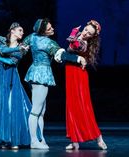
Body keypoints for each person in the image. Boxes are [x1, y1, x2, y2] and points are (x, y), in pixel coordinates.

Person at [22, 18, 86, 149]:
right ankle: (34, 141)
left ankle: (40, 138)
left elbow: (21, 49)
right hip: (42, 74)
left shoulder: (32, 37)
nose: (52, 29)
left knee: (41, 110)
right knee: (36, 110)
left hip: (34, 72)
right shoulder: (48, 43)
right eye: (49, 28)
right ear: (43, 31)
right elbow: (61, 56)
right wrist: (77, 58)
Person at [0, 22, 31, 149]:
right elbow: (3, 50)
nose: (22, 33)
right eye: (20, 30)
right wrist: (10, 51)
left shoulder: (23, 47)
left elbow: (11, 62)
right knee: (2, 105)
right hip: (0, 76)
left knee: (12, 106)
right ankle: (3, 139)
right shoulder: (1, 40)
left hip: (11, 76)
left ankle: (14, 139)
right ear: (13, 31)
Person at [64, 20, 107, 150]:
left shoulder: (83, 43)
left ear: (92, 37)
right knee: (71, 106)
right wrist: (76, 33)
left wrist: (74, 31)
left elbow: (72, 44)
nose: (86, 33)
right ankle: (74, 141)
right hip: (70, 73)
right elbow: (68, 50)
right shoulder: (79, 38)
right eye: (86, 29)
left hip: (78, 75)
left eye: (89, 33)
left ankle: (98, 137)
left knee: (84, 106)